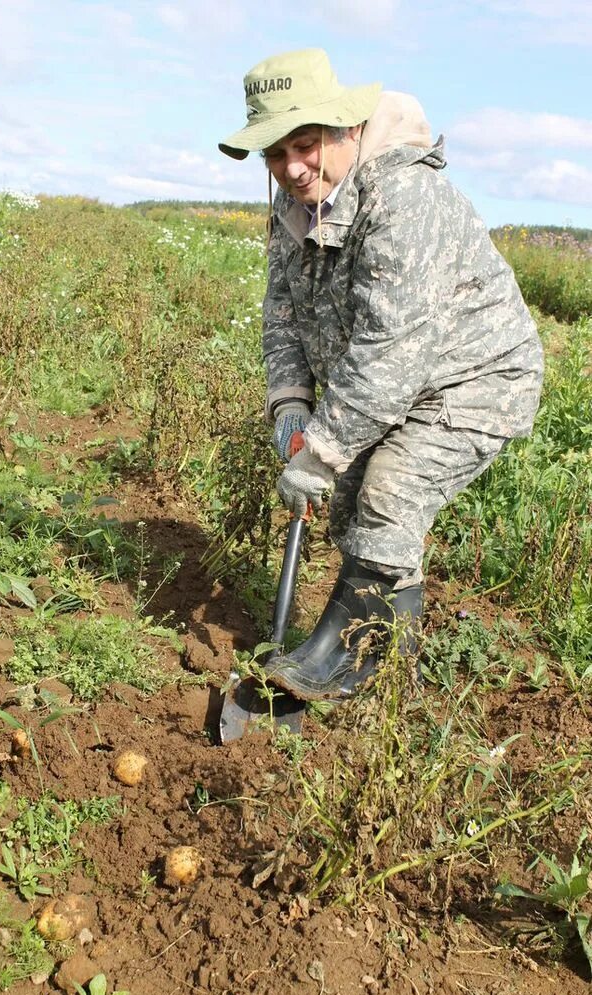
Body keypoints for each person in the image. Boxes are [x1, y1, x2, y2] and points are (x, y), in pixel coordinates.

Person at [218, 48, 543, 702]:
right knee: (353, 509)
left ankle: (341, 657)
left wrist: (325, 449)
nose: (292, 167)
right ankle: (396, 671)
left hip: (475, 379)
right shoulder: (291, 206)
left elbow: (394, 344)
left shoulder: (403, 197)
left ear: (341, 129)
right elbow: (282, 312)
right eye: (275, 155)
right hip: (391, 382)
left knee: (389, 491)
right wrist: (290, 405)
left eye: (304, 146)